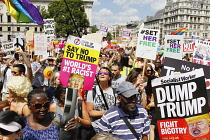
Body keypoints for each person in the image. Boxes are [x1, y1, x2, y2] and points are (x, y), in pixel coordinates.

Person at [86, 67, 116, 132]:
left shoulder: (115, 92)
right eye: (100, 73)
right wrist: (105, 112)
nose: (102, 74)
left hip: (111, 127)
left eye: (105, 73)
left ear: (109, 77)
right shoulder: (92, 91)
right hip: (96, 127)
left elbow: (117, 110)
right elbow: (90, 112)